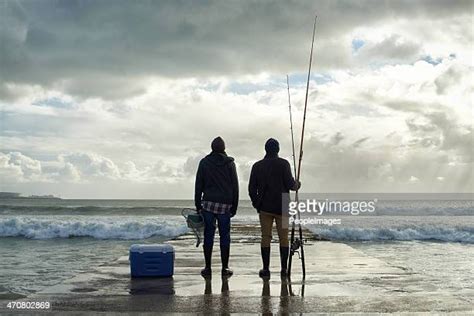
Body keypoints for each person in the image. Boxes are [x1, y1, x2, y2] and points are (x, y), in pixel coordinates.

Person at [248, 138, 300, 278]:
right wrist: (297, 184)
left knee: (266, 237)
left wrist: (256, 203)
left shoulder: (257, 166)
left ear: (266, 149)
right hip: (283, 206)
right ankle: (284, 270)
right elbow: (291, 185)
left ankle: (266, 269)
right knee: (284, 238)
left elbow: (251, 189)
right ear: (278, 149)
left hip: (264, 206)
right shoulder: (284, 164)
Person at [195, 136, 239, 277]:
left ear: (212, 148)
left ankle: (208, 268)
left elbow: (199, 184)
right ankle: (225, 268)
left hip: (208, 204)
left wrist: (198, 204)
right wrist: (235, 206)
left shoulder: (204, 162)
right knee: (225, 236)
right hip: (225, 206)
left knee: (209, 235)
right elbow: (235, 186)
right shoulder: (230, 164)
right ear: (224, 148)